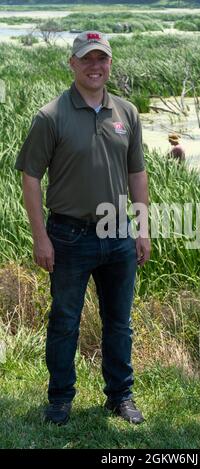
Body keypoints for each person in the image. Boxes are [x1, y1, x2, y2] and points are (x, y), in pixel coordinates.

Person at [15, 31, 151, 426]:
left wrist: (142, 230)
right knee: (65, 321)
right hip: (68, 236)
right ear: (72, 63)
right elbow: (31, 178)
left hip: (117, 231)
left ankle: (120, 396)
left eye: (102, 59)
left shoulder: (127, 112)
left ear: (110, 63)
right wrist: (41, 238)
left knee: (119, 322)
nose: (95, 66)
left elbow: (137, 173)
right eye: (87, 59)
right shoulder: (50, 116)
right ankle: (59, 399)